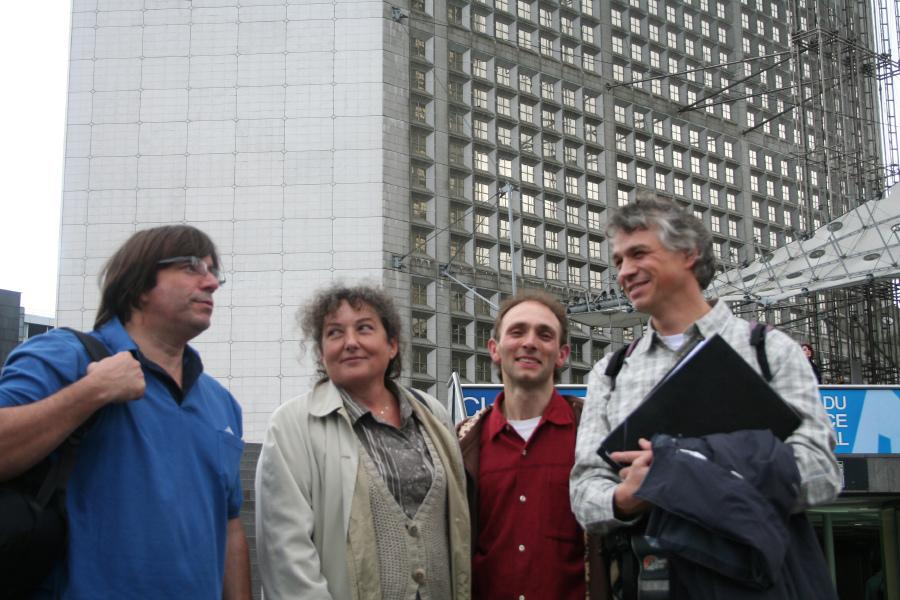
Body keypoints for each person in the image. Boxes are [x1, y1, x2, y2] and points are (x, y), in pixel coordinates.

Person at [570, 194, 841, 595]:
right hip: (654, 582)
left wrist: (680, 472)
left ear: (689, 253)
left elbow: (822, 471)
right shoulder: (610, 374)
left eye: (639, 254)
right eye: (619, 261)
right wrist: (626, 498)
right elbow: (585, 493)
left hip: (765, 580)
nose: (625, 272)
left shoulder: (769, 350)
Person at [0, 225, 250, 599]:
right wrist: (91, 391)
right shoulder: (67, 355)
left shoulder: (222, 403)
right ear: (139, 285)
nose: (211, 282)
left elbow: (230, 526)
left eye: (215, 272)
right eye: (193, 267)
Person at [255, 284, 470, 600]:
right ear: (320, 351)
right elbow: (286, 555)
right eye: (334, 333)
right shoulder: (291, 425)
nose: (351, 342)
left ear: (392, 345)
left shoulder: (433, 415)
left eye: (365, 329)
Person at [458, 290, 604, 599]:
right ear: (495, 350)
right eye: (517, 331)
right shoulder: (463, 443)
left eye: (544, 334)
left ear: (562, 354)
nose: (529, 342)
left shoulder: (594, 431)